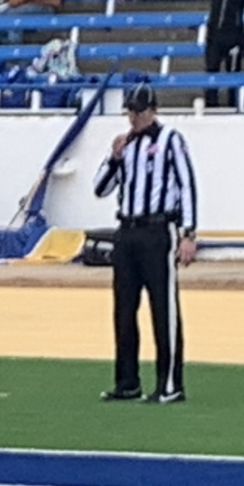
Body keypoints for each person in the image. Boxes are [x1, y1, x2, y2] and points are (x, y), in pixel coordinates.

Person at [94, 83, 198, 404]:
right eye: (129, 111)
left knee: (163, 309)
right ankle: (127, 382)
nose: (133, 117)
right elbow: (101, 188)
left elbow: (187, 186)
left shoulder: (170, 140)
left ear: (153, 110)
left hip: (157, 230)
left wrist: (188, 233)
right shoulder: (126, 144)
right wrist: (114, 157)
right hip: (126, 230)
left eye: (138, 111)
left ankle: (170, 384)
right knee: (124, 309)